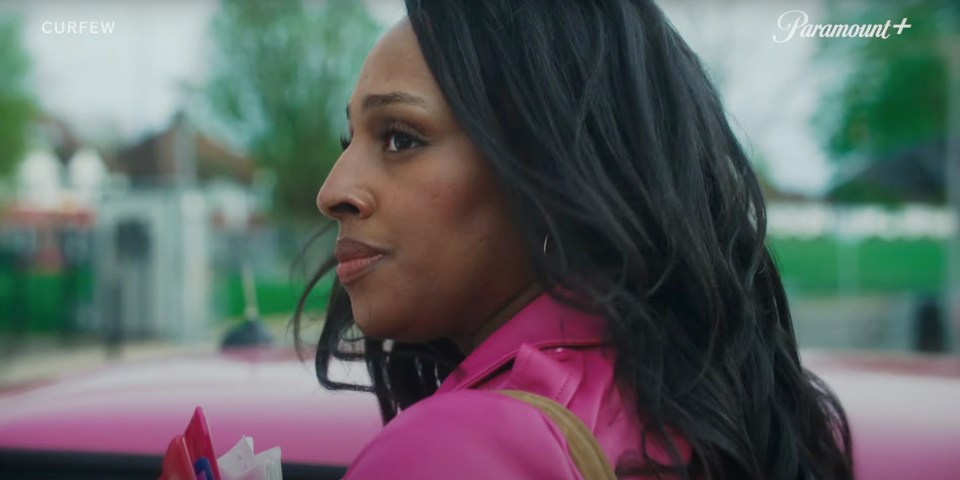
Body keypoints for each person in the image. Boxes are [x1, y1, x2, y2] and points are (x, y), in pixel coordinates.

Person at [293, 0, 853, 478]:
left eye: (399, 139)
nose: (332, 190)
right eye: (349, 141)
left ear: (551, 174)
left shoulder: (454, 452)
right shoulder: (712, 412)